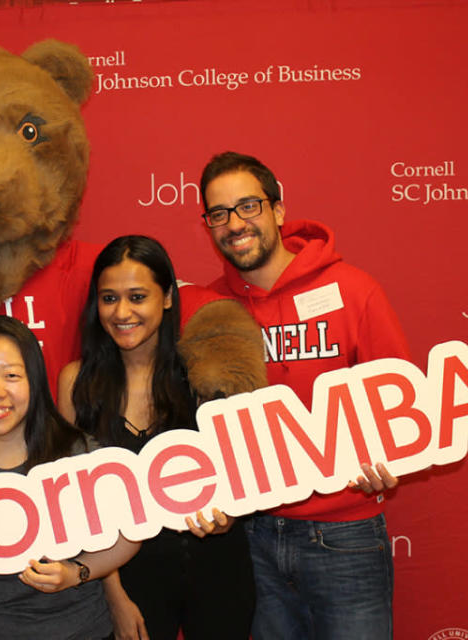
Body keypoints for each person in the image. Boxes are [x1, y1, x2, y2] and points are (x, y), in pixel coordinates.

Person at [199, 151, 407, 639]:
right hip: (252, 536)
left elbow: (401, 403)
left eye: (248, 206)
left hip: (345, 533)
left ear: (278, 209)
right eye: (219, 213)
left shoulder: (354, 291)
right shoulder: (208, 310)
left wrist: (394, 453)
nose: (235, 224)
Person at [57, 235, 256, 640]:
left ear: (166, 297)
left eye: (137, 296)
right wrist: (114, 596)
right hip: (128, 581)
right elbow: (76, 511)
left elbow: (245, 473)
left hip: (218, 570)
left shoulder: (202, 373)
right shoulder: (76, 383)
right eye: (109, 298)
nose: (122, 312)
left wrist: (228, 515)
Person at [0, 315, 139, 640]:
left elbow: (129, 534)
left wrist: (76, 573)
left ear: (34, 382)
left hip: (82, 631)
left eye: (11, 375)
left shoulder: (76, 452)